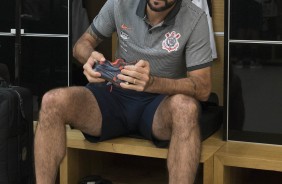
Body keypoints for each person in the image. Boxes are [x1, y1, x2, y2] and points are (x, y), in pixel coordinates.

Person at [34, 0, 213, 183]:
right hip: (115, 96)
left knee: (186, 108)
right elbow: (81, 44)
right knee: (52, 100)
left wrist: (152, 83)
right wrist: (89, 57)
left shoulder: (195, 19)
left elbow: (203, 88)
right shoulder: (120, 3)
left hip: (159, 105)